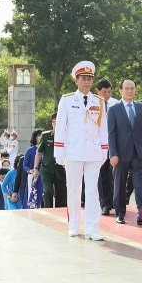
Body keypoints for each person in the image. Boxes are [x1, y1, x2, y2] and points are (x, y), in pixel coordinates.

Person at [54, 60, 108, 240]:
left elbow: (103, 129)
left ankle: (92, 228)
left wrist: (104, 151)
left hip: (93, 152)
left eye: (89, 79)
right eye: (83, 78)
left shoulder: (98, 101)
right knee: (74, 190)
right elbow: (60, 127)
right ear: (76, 80)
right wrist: (59, 153)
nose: (86, 82)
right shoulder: (67, 100)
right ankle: (73, 225)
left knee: (93, 191)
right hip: (73, 152)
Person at [107, 78, 142, 225]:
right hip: (120, 154)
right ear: (120, 90)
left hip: (139, 153)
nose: (130, 91)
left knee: (140, 185)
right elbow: (111, 133)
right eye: (127, 88)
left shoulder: (141, 108)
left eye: (132, 88)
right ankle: (120, 213)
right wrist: (113, 153)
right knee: (119, 184)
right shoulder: (113, 109)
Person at [94, 79, 119, 215]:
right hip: (98, 144)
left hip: (115, 143)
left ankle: (118, 201)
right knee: (103, 174)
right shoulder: (92, 104)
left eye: (109, 92)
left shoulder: (116, 103)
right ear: (97, 91)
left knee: (116, 174)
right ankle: (105, 203)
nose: (107, 95)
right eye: (104, 92)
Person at [33, 113, 67, 208]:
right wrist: (35, 168)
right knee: (48, 191)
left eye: (59, 122)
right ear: (52, 123)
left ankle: (60, 215)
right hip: (47, 169)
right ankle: (48, 210)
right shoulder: (46, 136)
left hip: (61, 169)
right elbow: (39, 152)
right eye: (54, 122)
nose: (56, 124)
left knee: (61, 195)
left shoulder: (67, 136)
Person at [23, 129, 44, 209]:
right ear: (35, 137)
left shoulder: (46, 149)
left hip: (44, 177)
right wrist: (30, 170)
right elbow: (25, 165)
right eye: (39, 135)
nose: (41, 137)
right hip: (33, 177)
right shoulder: (30, 150)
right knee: (31, 196)